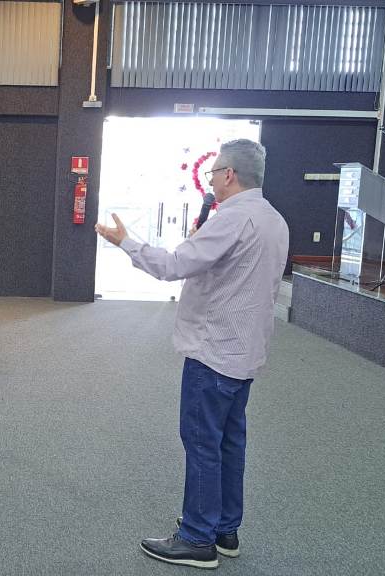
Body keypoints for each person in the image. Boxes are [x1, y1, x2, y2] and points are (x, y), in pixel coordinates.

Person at [96, 139, 289, 569]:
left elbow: (171, 266)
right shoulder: (275, 220)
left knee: (202, 441)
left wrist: (126, 242)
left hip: (213, 351)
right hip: (245, 354)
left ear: (229, 175)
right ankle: (224, 530)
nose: (211, 180)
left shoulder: (232, 218)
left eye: (213, 172)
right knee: (229, 443)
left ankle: (197, 537)